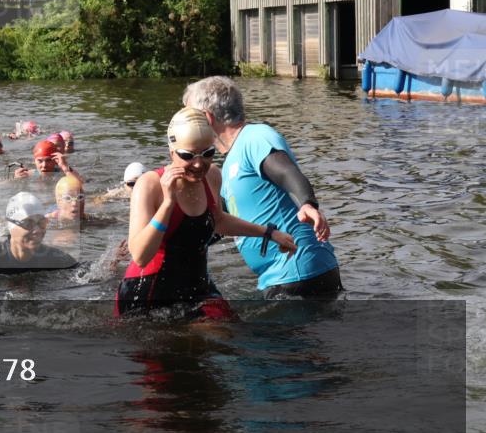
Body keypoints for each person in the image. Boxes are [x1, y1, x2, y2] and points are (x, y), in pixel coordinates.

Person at [116, 107, 297, 318]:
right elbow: (139, 256)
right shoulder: (149, 185)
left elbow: (218, 221)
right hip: (147, 294)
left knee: (226, 334)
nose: (198, 163)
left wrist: (269, 233)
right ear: (171, 152)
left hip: (197, 286)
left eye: (207, 153)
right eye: (188, 155)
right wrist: (168, 204)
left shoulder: (212, 176)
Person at [182, 76, 341, 298]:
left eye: (190, 119)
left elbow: (286, 172)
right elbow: (223, 221)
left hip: (298, 274)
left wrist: (307, 204)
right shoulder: (229, 163)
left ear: (206, 119)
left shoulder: (256, 137)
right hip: (283, 278)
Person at [0, 192, 78, 274]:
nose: (38, 230)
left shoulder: (57, 259)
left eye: (41, 223)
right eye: (28, 223)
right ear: (11, 227)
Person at [13, 139, 81, 179]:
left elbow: (80, 183)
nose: (44, 165)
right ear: (34, 161)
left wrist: (65, 166)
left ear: (55, 160)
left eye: (48, 160)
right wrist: (16, 179)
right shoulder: (29, 174)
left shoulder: (63, 173)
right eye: (40, 161)